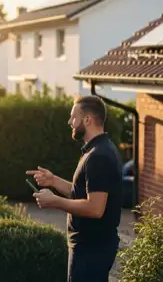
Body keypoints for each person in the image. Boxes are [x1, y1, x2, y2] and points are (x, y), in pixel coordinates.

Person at [28, 95, 123, 282]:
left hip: (91, 249)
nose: (70, 122)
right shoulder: (98, 150)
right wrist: (53, 181)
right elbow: (84, 193)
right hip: (91, 247)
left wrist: (55, 201)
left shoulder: (99, 157)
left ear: (87, 119)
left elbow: (95, 208)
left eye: (73, 117)